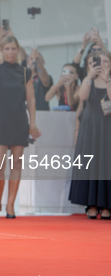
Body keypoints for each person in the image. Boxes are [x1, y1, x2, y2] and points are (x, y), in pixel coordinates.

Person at [0, 35, 41, 219]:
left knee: (17, 163)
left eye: (13, 49)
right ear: (2, 51)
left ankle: (10, 205)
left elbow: (31, 99)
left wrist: (32, 123)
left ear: (18, 51)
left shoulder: (25, 72)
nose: (10, 52)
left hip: (19, 121)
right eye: (6, 49)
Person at [69, 51, 111, 219]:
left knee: (107, 164)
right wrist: (90, 76)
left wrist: (106, 79)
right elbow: (83, 97)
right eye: (99, 62)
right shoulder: (89, 80)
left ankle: (107, 204)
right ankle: (91, 204)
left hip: (107, 127)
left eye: (106, 61)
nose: (103, 65)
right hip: (91, 126)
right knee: (90, 162)